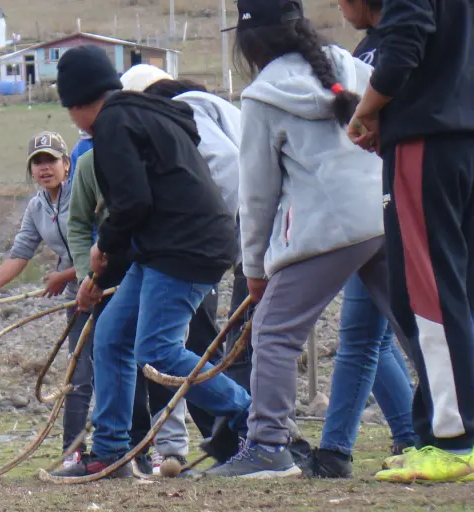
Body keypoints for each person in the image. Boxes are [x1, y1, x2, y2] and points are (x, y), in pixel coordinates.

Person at [205, 0, 409, 479]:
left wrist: (254, 270)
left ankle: (268, 446)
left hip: (328, 228)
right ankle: (457, 431)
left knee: (274, 331)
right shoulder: (349, 65)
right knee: (416, 325)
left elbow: (257, 195)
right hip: (384, 212)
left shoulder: (261, 97)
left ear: (250, 43)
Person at [53, 44, 247, 479]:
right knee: (111, 335)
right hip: (164, 246)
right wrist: (101, 272)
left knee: (156, 350)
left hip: (185, 248)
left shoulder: (114, 124)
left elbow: (132, 204)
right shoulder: (144, 113)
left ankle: (258, 420)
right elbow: (143, 203)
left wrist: (102, 248)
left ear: (77, 104)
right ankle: (111, 452)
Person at [345, 0, 474, 483]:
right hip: (461, 137)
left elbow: (403, 43)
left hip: (426, 140)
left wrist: (367, 111)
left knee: (427, 294)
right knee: (456, 291)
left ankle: (455, 441)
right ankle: (435, 434)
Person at [118, 65, 244, 472]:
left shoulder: (180, 112)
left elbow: (226, 164)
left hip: (200, 245)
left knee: (165, 348)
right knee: (161, 345)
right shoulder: (189, 112)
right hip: (199, 245)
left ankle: (252, 422)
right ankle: (233, 438)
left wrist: (208, 221)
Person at [0, 131, 88, 473]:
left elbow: (105, 246)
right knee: (77, 373)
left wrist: (66, 274)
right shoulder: (36, 206)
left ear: (67, 164)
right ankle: (74, 453)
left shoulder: (84, 193)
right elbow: (19, 255)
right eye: (37, 162)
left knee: (118, 367)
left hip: (110, 289)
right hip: (79, 299)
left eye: (51, 160)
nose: (45, 168)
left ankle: (135, 448)